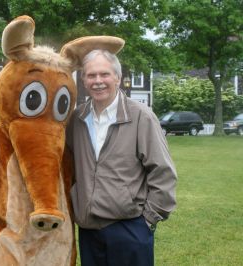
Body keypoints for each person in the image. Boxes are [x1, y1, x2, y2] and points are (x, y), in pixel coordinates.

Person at [66, 49, 177, 266]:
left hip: (129, 228)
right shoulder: (76, 119)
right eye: (91, 75)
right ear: (83, 80)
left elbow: (163, 172)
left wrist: (148, 219)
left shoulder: (140, 117)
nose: (98, 81)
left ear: (117, 77)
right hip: (89, 231)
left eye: (104, 74)